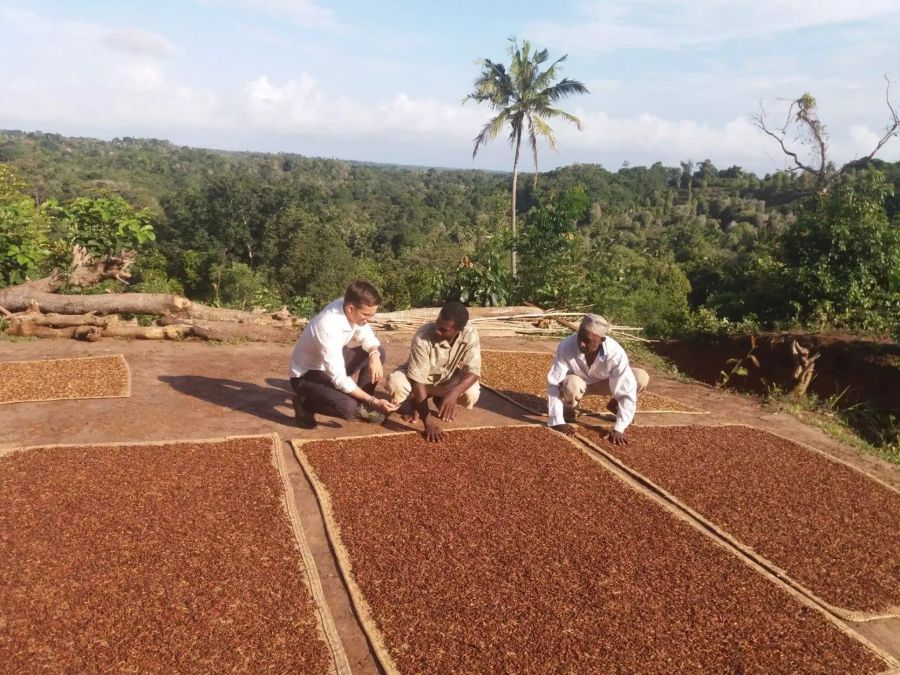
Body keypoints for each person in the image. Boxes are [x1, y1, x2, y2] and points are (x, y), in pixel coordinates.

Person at [289, 281, 398, 429]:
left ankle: (363, 406)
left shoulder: (348, 305)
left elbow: (367, 336)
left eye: (372, 315)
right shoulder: (327, 327)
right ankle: (305, 405)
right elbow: (339, 379)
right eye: (366, 314)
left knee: (378, 352)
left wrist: (374, 354)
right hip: (306, 375)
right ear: (350, 309)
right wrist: (374, 401)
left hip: (332, 361)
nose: (369, 319)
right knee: (348, 407)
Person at [547, 314, 649, 444]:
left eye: (587, 340)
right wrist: (557, 421)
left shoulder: (615, 353)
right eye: (580, 338)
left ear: (602, 340)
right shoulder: (566, 346)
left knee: (640, 378)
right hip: (579, 383)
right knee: (570, 384)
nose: (581, 344)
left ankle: (616, 405)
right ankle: (572, 406)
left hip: (607, 383)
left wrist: (619, 428)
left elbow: (627, 390)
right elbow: (554, 382)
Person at [387, 301, 481, 442]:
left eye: (444, 330)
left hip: (446, 379)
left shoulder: (469, 333)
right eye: (437, 323)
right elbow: (418, 383)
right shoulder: (422, 337)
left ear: (458, 330)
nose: (437, 330)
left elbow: (473, 370)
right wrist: (428, 424)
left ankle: (439, 398)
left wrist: (453, 393)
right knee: (396, 383)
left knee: (471, 393)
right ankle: (415, 402)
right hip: (417, 380)